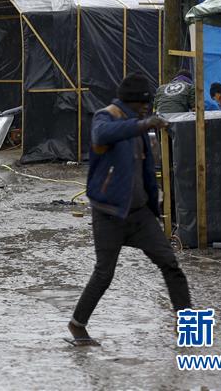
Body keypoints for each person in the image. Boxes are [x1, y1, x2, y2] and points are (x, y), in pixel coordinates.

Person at [68, 73, 191, 344]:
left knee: (170, 264)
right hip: (109, 213)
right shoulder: (106, 117)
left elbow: (146, 171)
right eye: (144, 104)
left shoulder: (137, 125)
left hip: (140, 214)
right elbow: (102, 134)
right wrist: (143, 124)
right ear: (132, 102)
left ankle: (188, 325)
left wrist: (155, 205)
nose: (147, 108)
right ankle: (77, 325)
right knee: (104, 273)